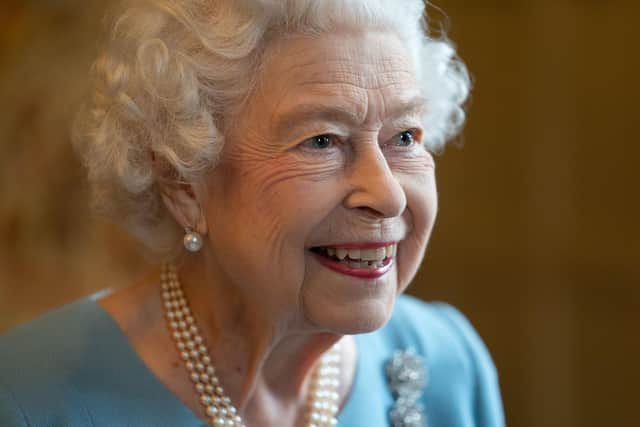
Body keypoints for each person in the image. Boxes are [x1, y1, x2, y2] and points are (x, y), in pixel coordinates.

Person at [0, 0, 504, 426]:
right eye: (322, 140)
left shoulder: (448, 363)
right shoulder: (25, 397)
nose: (389, 196)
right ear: (184, 183)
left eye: (404, 137)